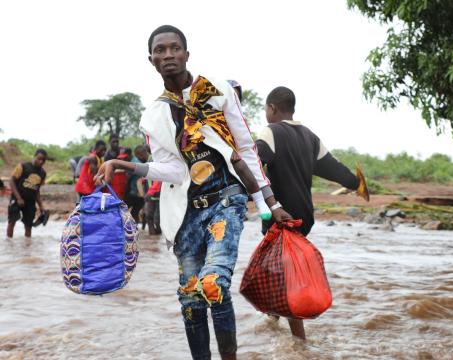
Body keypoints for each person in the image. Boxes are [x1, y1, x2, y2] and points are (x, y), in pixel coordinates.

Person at [94, 25, 291, 360]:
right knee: (190, 296)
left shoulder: (218, 92)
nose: (168, 55)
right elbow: (172, 170)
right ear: (151, 59)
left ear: (186, 54)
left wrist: (270, 203)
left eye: (174, 48)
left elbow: (245, 150)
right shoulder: (153, 115)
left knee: (213, 283)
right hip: (186, 212)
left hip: (226, 199)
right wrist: (123, 165)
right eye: (160, 50)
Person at [255, 86, 369, 340]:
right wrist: (356, 184)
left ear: (272, 108)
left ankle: (299, 343)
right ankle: (273, 322)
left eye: (266, 109)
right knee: (278, 269)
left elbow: (254, 161)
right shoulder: (310, 137)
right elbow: (335, 170)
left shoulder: (271, 131)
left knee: (285, 276)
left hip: (281, 215)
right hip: (304, 217)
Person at [7, 149, 47, 238]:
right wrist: (18, 198)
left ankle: (27, 247)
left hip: (30, 202)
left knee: (28, 226)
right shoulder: (23, 166)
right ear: (35, 157)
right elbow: (11, 181)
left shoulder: (43, 173)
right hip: (17, 198)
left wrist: (41, 206)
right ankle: (9, 243)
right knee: (12, 222)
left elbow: (37, 190)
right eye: (39, 159)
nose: (41, 162)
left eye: (43, 160)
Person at [125, 145, 149, 222]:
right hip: (137, 193)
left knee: (128, 211)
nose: (147, 155)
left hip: (134, 193)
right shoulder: (139, 163)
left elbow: (128, 177)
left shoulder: (135, 162)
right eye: (146, 153)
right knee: (134, 212)